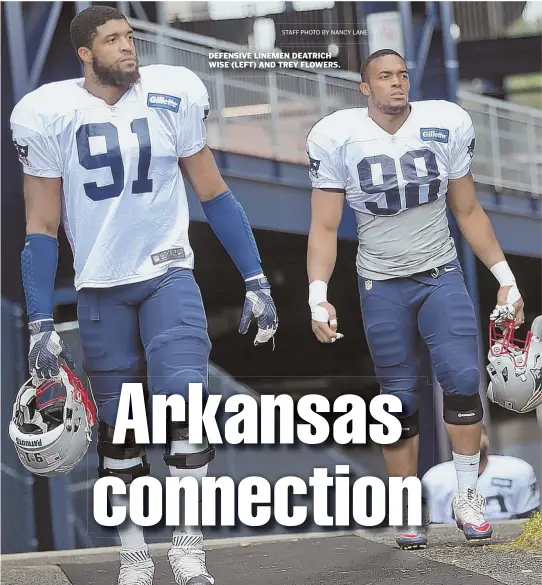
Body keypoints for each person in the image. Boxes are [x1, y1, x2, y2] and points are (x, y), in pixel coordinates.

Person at [10, 6, 278, 585]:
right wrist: (39, 321)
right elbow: (39, 225)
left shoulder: (171, 94)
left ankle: (187, 550)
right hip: (100, 289)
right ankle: (135, 555)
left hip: (168, 274)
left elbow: (215, 193)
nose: (128, 48)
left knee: (185, 407)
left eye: (130, 37)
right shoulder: (49, 114)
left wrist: (255, 278)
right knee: (119, 430)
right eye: (112, 40)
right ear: (85, 53)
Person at [304, 48, 525, 549]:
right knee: (396, 400)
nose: (398, 84)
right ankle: (406, 505)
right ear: (365, 88)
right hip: (381, 283)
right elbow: (323, 224)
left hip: (439, 274)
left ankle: (467, 495)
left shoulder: (443, 123)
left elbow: (468, 211)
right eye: (385, 76)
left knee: (464, 380)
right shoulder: (338, 136)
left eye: (403, 75)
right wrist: (317, 294)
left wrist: (505, 277)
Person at [422, 426, 540, 523]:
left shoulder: (518, 470)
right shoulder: (435, 478)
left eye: (477, 434)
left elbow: (529, 520)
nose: (471, 440)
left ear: (487, 437)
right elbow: (435, 528)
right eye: (463, 437)